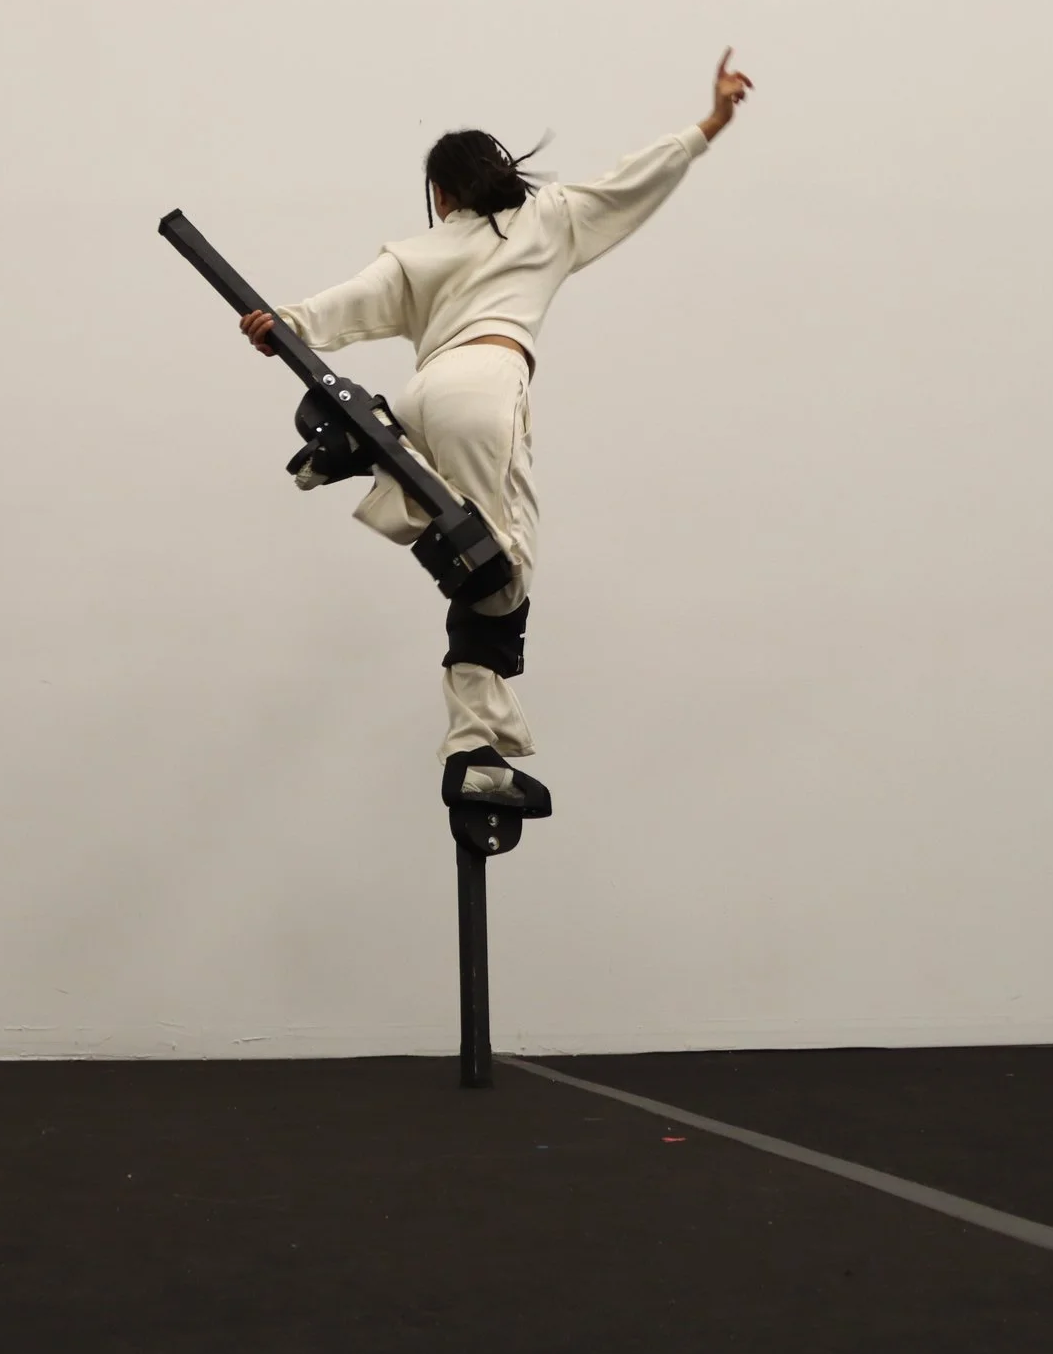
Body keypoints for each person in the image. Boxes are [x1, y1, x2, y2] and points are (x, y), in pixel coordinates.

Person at [239, 49, 754, 810]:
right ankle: (475, 751)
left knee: (464, 545)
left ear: (441, 193)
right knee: (501, 572)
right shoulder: (546, 218)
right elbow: (631, 182)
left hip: (423, 395)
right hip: (486, 387)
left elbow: (353, 298)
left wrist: (285, 322)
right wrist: (709, 123)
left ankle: (371, 442)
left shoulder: (420, 249)